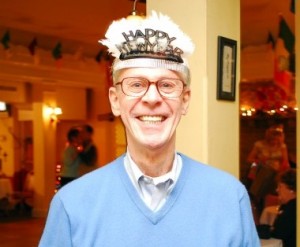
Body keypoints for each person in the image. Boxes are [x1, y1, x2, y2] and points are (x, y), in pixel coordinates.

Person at [39, 11, 259, 246]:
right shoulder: (71, 204)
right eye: (136, 84)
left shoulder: (229, 197)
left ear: (185, 100)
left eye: (167, 84)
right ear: (115, 100)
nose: (152, 98)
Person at [247, 124, 290, 209]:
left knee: (277, 177)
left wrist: (283, 168)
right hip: (261, 169)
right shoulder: (259, 145)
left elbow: (285, 161)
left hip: (277, 172)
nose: (275, 140)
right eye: (273, 137)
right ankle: (257, 199)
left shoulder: (282, 146)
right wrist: (259, 161)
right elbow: (249, 159)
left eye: (277, 137)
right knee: (264, 172)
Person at [257, 169, 296, 247]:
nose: (277, 190)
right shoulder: (289, 205)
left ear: (291, 189)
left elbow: (279, 232)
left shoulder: (292, 208)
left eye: (280, 186)